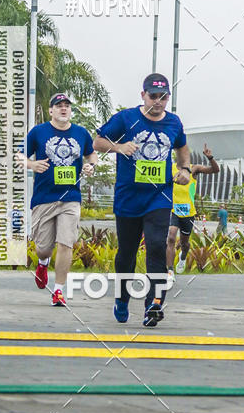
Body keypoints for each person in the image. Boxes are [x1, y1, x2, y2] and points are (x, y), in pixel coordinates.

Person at [94, 73, 190, 328]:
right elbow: (97, 141)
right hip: (128, 198)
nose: (158, 101)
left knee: (158, 245)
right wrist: (118, 147)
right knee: (127, 253)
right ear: (143, 95)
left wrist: (185, 169)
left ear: (168, 97)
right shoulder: (126, 118)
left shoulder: (173, 122)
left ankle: (153, 304)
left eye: (163, 97)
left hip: (159, 197)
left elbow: (182, 146)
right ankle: (122, 298)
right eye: (153, 96)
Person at [17, 94, 97, 307]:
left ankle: (59, 290)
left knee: (66, 242)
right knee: (44, 247)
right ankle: (43, 262)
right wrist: (31, 165)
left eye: (66, 106)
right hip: (44, 198)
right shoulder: (38, 132)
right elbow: (18, 156)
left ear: (70, 111)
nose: (63, 109)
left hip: (71, 197)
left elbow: (91, 155)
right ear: (50, 110)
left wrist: (91, 166)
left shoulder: (81, 133)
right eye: (58, 106)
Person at [166, 144, 219, 276]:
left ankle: (183, 257)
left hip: (188, 213)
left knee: (184, 243)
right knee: (171, 237)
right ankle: (170, 271)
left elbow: (215, 170)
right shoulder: (169, 168)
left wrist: (210, 157)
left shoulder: (193, 169)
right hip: (174, 210)